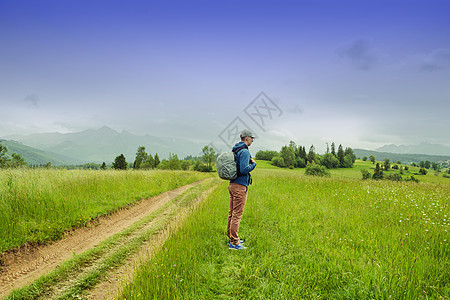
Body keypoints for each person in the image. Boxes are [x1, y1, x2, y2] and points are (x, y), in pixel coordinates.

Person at [227, 129, 257, 250]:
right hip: (240, 186)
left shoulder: (236, 149)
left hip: (232, 184)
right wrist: (253, 164)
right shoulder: (244, 151)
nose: (252, 140)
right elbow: (244, 169)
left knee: (231, 213)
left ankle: (231, 237)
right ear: (246, 138)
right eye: (252, 138)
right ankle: (234, 243)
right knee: (237, 215)